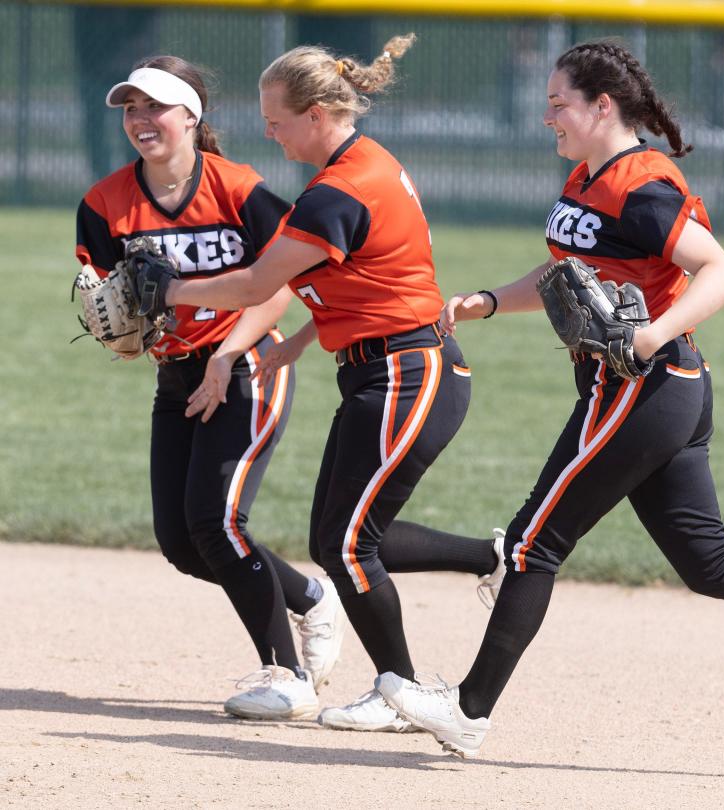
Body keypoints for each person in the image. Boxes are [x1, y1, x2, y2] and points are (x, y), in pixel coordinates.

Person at [373, 40, 724, 758]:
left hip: (642, 386)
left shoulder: (641, 185)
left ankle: (469, 710)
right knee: (715, 566)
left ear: (601, 105)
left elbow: (721, 272)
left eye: (559, 103)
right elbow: (565, 277)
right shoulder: (588, 175)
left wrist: (653, 334)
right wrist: (489, 300)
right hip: (658, 390)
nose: (548, 114)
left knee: (531, 544)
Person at [142, 36, 507, 734]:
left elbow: (256, 282)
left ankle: (403, 690)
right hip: (384, 368)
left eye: (276, 119)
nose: (269, 132)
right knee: (340, 537)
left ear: (315, 115)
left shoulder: (341, 188)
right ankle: (483, 566)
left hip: (408, 371)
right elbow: (366, 276)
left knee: (345, 544)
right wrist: (307, 339)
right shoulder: (359, 167)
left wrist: (173, 288)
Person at [75, 55, 349, 722]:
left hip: (247, 363)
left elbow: (286, 280)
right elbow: (106, 298)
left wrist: (229, 353)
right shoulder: (105, 203)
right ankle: (311, 600)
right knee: (183, 542)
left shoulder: (238, 189)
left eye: (156, 107)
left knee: (217, 522)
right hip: (176, 377)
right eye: (131, 108)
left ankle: (286, 676)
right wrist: (120, 332)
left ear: (191, 118)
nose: (141, 120)